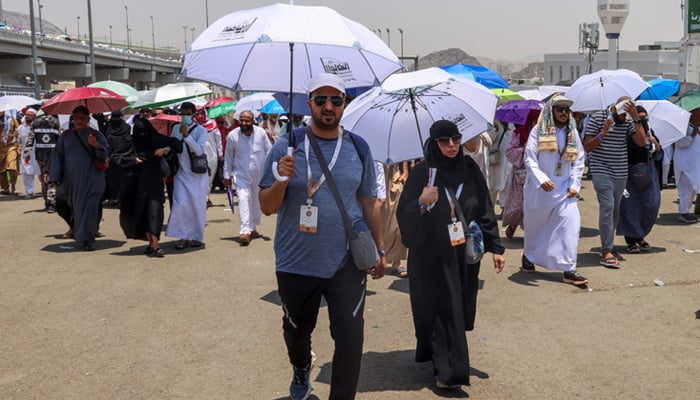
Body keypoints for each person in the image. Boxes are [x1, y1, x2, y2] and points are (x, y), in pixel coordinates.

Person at [259, 73, 386, 400]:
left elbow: (369, 202)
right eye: (321, 100)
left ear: (344, 104)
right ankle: (301, 367)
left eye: (336, 100)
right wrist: (282, 181)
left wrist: (381, 248)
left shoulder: (358, 147)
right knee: (298, 332)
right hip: (296, 261)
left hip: (346, 260)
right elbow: (267, 207)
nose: (328, 107)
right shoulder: (286, 146)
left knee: (350, 337)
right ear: (309, 102)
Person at [396, 120, 505, 390]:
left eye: (455, 139)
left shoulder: (469, 169)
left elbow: (484, 209)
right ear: (434, 144)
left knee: (459, 307)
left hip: (462, 254)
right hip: (430, 255)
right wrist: (422, 201)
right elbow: (403, 214)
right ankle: (448, 372)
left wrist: (496, 248)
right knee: (441, 308)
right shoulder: (423, 174)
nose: (452, 146)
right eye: (444, 141)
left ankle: (439, 358)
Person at [521, 94, 588, 284]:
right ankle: (529, 255)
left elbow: (579, 160)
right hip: (540, 190)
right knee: (536, 228)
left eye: (567, 110)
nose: (564, 113)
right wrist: (541, 179)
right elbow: (529, 158)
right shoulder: (538, 131)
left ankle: (569, 269)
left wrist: (575, 185)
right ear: (551, 111)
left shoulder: (572, 133)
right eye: (560, 109)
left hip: (565, 189)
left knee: (571, 224)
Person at [583, 97, 647, 267]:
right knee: (608, 208)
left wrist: (636, 118)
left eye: (627, 115)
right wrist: (602, 134)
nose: (624, 118)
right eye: (622, 114)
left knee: (615, 212)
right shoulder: (597, 118)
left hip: (620, 171)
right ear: (614, 109)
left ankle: (609, 245)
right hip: (601, 169)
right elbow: (587, 146)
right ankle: (606, 251)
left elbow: (641, 142)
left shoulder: (628, 121)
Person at [118, 114, 182, 257]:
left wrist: (164, 150)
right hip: (135, 185)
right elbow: (116, 158)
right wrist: (133, 160)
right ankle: (151, 242)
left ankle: (155, 243)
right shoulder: (129, 142)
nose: (142, 135)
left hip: (154, 182)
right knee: (140, 213)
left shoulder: (156, 139)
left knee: (155, 210)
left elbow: (177, 144)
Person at [48, 106, 110, 251]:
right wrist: (54, 178)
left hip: (93, 180)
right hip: (73, 182)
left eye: (82, 118)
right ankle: (81, 233)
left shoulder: (96, 135)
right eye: (77, 118)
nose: (79, 121)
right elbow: (58, 157)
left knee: (89, 210)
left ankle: (87, 239)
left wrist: (96, 145)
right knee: (76, 209)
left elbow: (106, 153)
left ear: (88, 119)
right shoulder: (65, 136)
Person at [616, 106, 663, 252]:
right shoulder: (628, 129)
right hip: (630, 170)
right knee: (629, 206)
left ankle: (640, 234)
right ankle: (631, 239)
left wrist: (654, 142)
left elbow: (658, 150)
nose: (642, 119)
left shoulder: (648, 129)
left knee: (652, 204)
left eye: (644, 117)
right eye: (639, 116)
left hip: (648, 170)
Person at [223, 109, 272, 246]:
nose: (244, 123)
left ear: (252, 121)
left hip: (259, 174)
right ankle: (244, 231)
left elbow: (269, 151)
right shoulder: (232, 136)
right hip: (241, 175)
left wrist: (270, 172)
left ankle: (253, 228)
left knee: (255, 202)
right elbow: (228, 157)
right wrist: (226, 175)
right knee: (244, 199)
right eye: (242, 120)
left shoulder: (261, 133)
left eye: (247, 120)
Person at [165, 102, 209, 249]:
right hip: (180, 173)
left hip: (197, 175)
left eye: (188, 114)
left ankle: (196, 236)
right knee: (180, 205)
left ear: (194, 114)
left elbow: (199, 151)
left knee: (197, 207)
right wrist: (164, 150)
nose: (185, 116)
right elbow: (172, 145)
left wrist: (187, 136)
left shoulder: (201, 130)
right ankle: (183, 236)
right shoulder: (175, 128)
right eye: (183, 113)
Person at [502, 110, 540, 239]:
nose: (538, 124)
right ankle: (513, 224)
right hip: (520, 175)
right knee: (518, 204)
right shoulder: (519, 133)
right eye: (536, 120)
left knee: (533, 205)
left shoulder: (547, 135)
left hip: (538, 175)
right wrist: (522, 150)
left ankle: (530, 232)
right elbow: (509, 151)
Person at [25, 111, 61, 212]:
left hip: (41, 156)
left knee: (45, 178)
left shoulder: (35, 123)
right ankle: (51, 203)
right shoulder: (56, 122)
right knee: (51, 179)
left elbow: (30, 139)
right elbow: (61, 139)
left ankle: (48, 202)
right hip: (53, 155)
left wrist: (27, 153)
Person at [382, 161, 410, 277]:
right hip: (375, 171)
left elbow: (400, 149)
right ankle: (375, 259)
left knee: (398, 219)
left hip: (393, 172)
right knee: (377, 220)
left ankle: (396, 262)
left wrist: (405, 171)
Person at [673, 107, 700, 224]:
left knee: (694, 189)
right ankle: (683, 213)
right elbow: (679, 143)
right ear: (693, 113)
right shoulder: (682, 127)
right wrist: (692, 136)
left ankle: (688, 211)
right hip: (684, 164)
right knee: (686, 191)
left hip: (695, 164)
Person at [104, 110, 132, 207]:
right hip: (116, 158)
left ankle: (118, 198)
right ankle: (113, 198)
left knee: (118, 179)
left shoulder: (108, 127)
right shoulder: (109, 127)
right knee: (113, 179)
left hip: (119, 158)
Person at [18, 107, 41, 199]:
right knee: (26, 173)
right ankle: (29, 192)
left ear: (34, 117)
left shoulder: (39, 126)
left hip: (38, 153)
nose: (27, 117)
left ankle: (46, 190)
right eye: (26, 115)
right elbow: (18, 141)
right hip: (26, 154)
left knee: (41, 172)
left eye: (29, 115)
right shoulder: (20, 128)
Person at [0, 109, 21, 195]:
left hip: (11, 147)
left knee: (12, 168)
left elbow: (20, 131)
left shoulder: (12, 119)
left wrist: (19, 146)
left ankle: (13, 186)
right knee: (1, 171)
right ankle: (5, 188)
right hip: (0, 149)